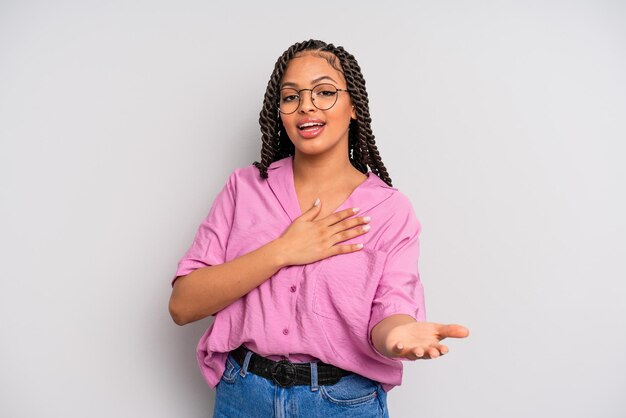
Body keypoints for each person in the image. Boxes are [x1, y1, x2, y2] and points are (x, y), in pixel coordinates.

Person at [169, 39, 469, 417]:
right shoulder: (243, 189)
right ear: (279, 112)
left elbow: (390, 309)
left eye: (325, 92)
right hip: (243, 397)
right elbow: (183, 305)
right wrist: (283, 250)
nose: (306, 105)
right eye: (291, 96)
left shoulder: (390, 209)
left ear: (354, 107)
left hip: (342, 403)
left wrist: (397, 336)